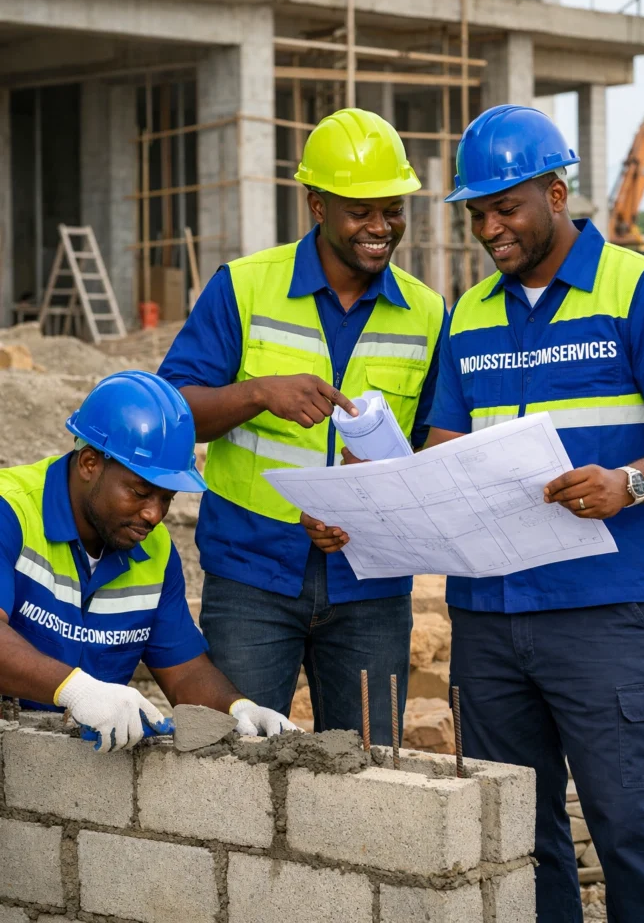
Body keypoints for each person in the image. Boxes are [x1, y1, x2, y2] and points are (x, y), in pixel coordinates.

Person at [427, 104, 644, 922]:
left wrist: (629, 484)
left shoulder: (637, 292)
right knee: (518, 838)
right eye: (476, 213)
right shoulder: (467, 315)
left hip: (600, 618)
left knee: (632, 828)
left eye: (505, 208)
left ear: (555, 191)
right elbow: (443, 451)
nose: (488, 228)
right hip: (488, 621)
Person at [158, 108, 447, 742]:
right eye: (359, 210)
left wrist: (378, 490)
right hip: (252, 574)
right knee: (230, 765)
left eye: (393, 209)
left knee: (373, 777)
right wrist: (258, 393)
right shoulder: (243, 288)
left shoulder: (428, 313)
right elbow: (172, 412)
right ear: (317, 205)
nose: (380, 226)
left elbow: (434, 443)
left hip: (371, 583)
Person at [0, 371, 296, 752]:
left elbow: (185, 669)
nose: (154, 514)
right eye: (140, 492)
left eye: (167, 498)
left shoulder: (154, 551)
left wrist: (238, 709)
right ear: (89, 462)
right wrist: (76, 689)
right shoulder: (12, 512)